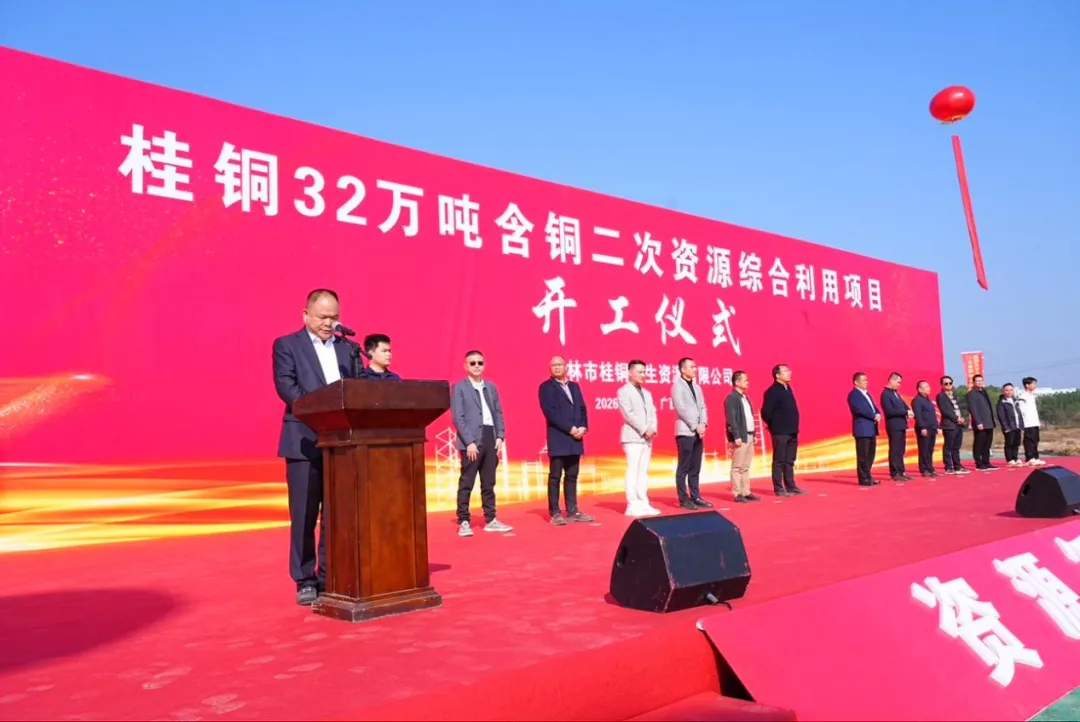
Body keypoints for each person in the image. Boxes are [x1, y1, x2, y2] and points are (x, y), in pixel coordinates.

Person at [272, 288, 357, 605]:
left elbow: (357, 389)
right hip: (304, 441)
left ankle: (328, 575)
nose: (328, 323)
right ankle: (305, 579)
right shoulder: (287, 345)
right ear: (306, 314)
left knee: (335, 514)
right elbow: (287, 388)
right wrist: (322, 414)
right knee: (305, 514)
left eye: (334, 317)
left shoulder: (347, 349)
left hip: (341, 443)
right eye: (322, 317)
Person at [450, 350, 513, 537]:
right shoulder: (459, 387)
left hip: (489, 436)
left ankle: (491, 519)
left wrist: (500, 436)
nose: (477, 366)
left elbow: (498, 412)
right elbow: (458, 417)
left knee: (489, 482)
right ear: (465, 366)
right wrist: (469, 442)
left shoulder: (491, 387)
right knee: (467, 482)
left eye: (480, 363)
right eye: (473, 363)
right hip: (471, 439)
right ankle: (464, 521)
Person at [538, 355, 595, 525]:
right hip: (559, 437)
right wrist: (570, 428)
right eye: (553, 365)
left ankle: (573, 510)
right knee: (555, 476)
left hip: (576, 438)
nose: (557, 367)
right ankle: (555, 512)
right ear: (550, 368)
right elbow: (550, 412)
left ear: (566, 366)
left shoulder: (574, 386)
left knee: (572, 475)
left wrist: (583, 427)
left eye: (560, 364)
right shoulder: (546, 387)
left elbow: (582, 408)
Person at [617, 360, 660, 516]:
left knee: (643, 471)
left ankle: (643, 503)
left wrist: (652, 428)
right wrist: (644, 429)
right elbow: (628, 414)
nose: (643, 375)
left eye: (644, 372)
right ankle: (632, 504)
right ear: (630, 372)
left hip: (647, 438)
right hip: (632, 437)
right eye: (639, 372)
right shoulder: (623, 391)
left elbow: (653, 412)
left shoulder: (647, 393)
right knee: (633, 470)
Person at [671, 357, 713, 510]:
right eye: (691, 367)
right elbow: (681, 409)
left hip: (698, 432)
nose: (695, 369)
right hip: (685, 431)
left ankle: (696, 496)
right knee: (684, 467)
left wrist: (703, 424)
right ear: (683, 369)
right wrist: (695, 426)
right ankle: (684, 499)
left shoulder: (697, 387)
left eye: (695, 366)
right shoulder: (677, 386)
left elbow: (702, 407)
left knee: (695, 467)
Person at [760, 364, 807, 497]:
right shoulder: (772, 391)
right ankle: (778, 487)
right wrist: (774, 425)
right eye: (785, 371)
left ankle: (791, 486)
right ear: (777, 375)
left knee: (789, 460)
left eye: (788, 370)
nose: (789, 373)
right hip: (780, 431)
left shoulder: (788, 389)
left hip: (792, 430)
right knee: (779, 460)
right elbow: (766, 412)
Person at [724, 370, 761, 502]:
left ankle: (746, 491)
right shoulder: (731, 398)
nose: (747, 382)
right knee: (737, 466)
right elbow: (731, 419)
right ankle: (737, 492)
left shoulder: (745, 397)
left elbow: (750, 417)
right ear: (737, 382)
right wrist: (736, 436)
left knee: (745, 466)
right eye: (745, 380)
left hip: (749, 435)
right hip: (740, 436)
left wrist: (754, 433)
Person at [846, 372, 881, 486]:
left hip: (871, 428)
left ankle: (868, 476)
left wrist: (878, 413)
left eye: (866, 380)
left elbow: (873, 407)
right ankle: (863, 478)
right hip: (862, 429)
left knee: (871, 454)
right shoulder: (853, 395)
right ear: (856, 382)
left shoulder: (867, 394)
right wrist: (873, 415)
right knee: (863, 456)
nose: (866, 382)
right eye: (863, 380)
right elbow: (859, 409)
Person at [879, 372, 914, 482]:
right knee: (895, 450)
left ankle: (901, 471)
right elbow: (889, 411)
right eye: (898, 382)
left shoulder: (896, 394)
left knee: (901, 450)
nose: (899, 384)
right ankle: (895, 473)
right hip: (893, 426)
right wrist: (905, 412)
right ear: (891, 380)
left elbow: (905, 406)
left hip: (901, 425)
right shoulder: (885, 394)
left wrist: (909, 411)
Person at [936, 376, 969, 475]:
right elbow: (945, 411)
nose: (948, 385)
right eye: (946, 383)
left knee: (956, 447)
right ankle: (948, 467)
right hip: (949, 424)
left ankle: (957, 466)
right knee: (948, 446)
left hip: (958, 424)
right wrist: (956, 418)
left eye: (950, 383)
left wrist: (963, 418)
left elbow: (962, 407)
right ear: (942, 385)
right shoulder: (941, 396)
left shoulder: (955, 395)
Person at [966, 374, 996, 471]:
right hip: (980, 423)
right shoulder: (971, 394)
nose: (980, 382)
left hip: (989, 422)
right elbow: (973, 409)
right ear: (974, 382)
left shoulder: (983, 392)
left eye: (981, 381)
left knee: (987, 444)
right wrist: (978, 422)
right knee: (979, 444)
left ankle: (986, 462)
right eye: (977, 381)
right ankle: (979, 463)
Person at [912, 381, 939, 477]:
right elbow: (918, 415)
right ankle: (924, 469)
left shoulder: (928, 400)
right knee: (924, 449)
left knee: (930, 449)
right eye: (926, 387)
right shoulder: (917, 400)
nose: (929, 388)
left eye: (928, 386)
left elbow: (932, 415)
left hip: (932, 427)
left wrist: (936, 426)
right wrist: (922, 427)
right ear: (920, 389)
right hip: (924, 428)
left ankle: (930, 468)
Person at [1017, 376, 1045, 466]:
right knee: (1029, 441)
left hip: (1034, 422)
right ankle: (1030, 458)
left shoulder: (1031, 396)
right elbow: (1021, 411)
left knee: (1035, 440)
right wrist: (1023, 423)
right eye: (1033, 384)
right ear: (1027, 385)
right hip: (1028, 423)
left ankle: (1036, 457)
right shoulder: (1023, 396)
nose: (1035, 385)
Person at [996, 383, 1026, 467]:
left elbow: (1019, 414)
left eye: (1010, 390)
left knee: (1016, 443)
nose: (1009, 392)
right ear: (1003, 391)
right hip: (1009, 427)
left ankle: (1015, 458)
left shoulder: (1015, 401)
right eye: (1007, 390)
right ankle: (1010, 459)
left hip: (1017, 426)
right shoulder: (1001, 402)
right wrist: (1005, 427)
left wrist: (1021, 425)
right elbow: (1001, 416)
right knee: (1009, 443)